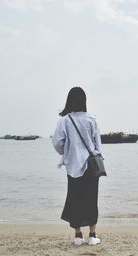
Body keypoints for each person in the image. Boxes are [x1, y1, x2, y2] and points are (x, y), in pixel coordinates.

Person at [52, 87, 103, 246]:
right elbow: (97, 144)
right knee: (91, 199)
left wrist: (67, 152)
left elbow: (57, 143)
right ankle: (93, 236)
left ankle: (78, 236)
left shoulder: (65, 120)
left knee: (75, 199)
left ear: (69, 100)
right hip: (90, 165)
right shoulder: (91, 119)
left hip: (73, 166)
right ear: (84, 101)